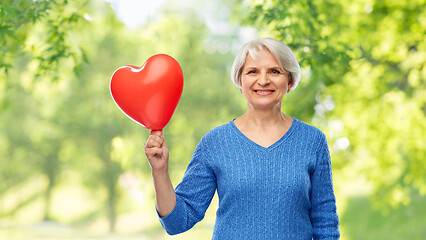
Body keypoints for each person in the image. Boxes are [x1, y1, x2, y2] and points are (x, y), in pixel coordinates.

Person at [144, 38, 340, 239]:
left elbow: (325, 223)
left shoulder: (313, 140)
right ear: (240, 81)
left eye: (274, 71)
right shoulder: (215, 143)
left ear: (289, 81)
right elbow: (177, 222)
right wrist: (160, 171)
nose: (263, 80)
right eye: (252, 71)